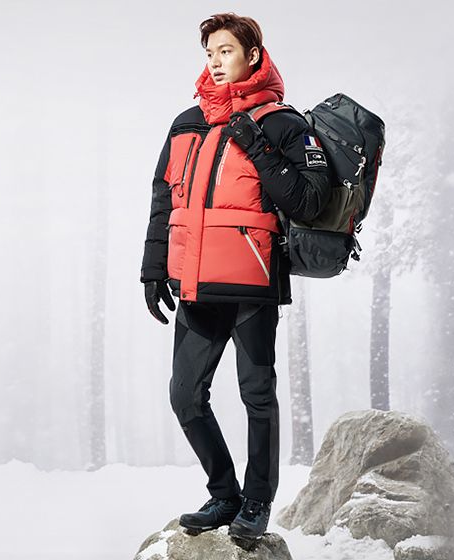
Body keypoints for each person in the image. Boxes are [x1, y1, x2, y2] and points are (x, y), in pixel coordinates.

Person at [140, 13, 330, 540]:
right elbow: (164, 199)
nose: (216, 62)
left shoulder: (283, 123)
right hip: (195, 283)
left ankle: (257, 500)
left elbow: (309, 200)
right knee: (185, 396)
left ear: (253, 55)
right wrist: (153, 268)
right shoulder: (187, 123)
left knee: (257, 396)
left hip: (253, 284)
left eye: (225, 51)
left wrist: (258, 144)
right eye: (209, 53)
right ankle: (224, 494)